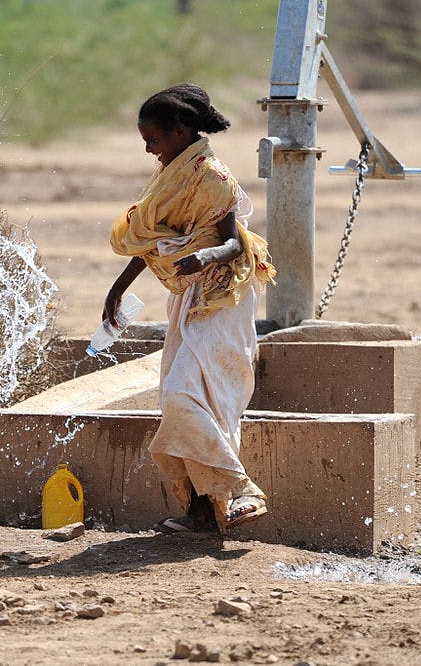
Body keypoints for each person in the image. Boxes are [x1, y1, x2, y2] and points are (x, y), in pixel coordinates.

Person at [103, 83, 276, 534]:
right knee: (186, 399)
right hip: (186, 295)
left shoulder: (211, 175)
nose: (148, 149)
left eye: (153, 139)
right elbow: (155, 239)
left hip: (221, 294)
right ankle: (203, 512)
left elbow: (234, 241)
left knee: (191, 394)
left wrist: (206, 257)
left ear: (181, 131)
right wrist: (117, 288)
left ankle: (240, 491)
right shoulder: (169, 173)